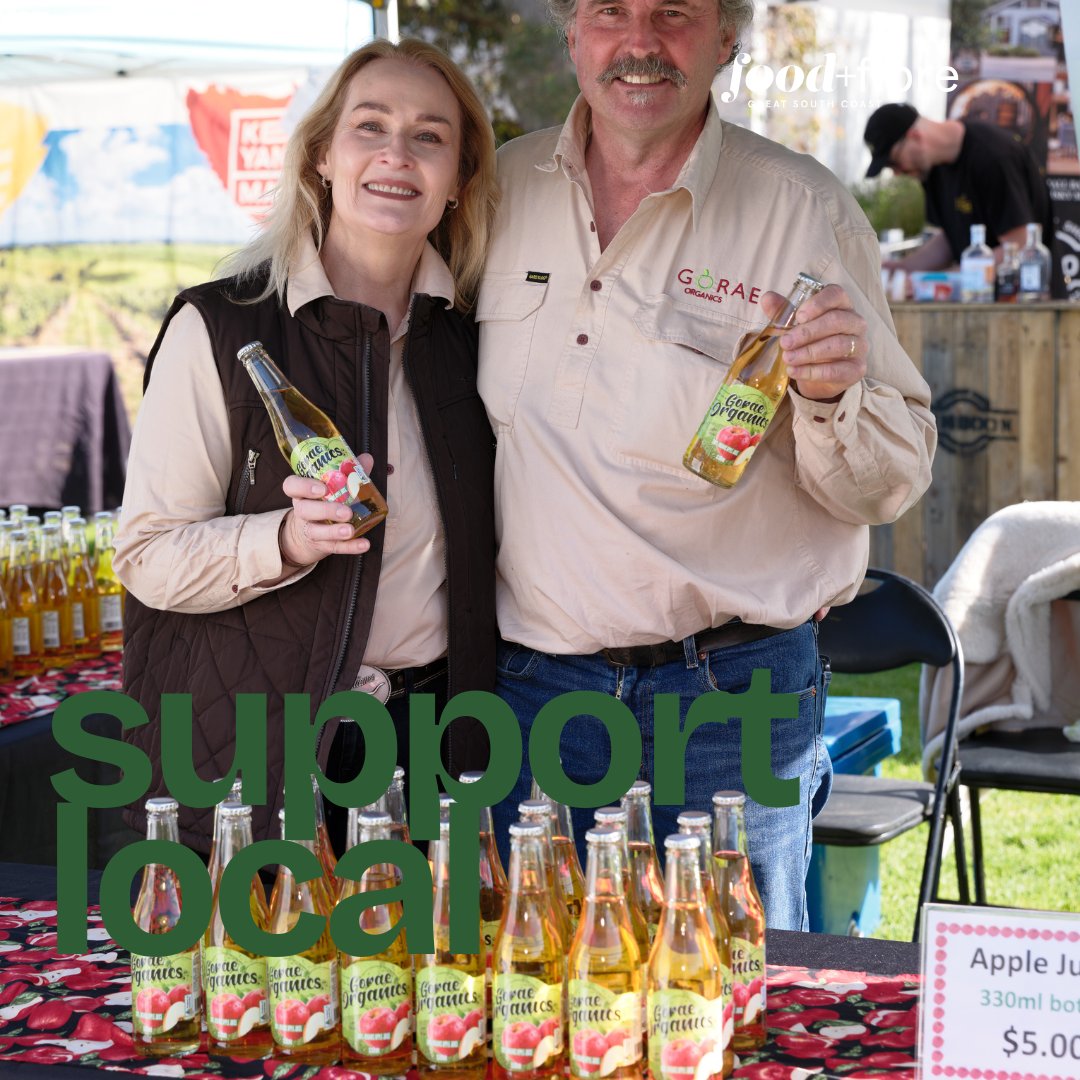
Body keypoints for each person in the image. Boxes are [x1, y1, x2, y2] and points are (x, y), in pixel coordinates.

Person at [476, 0, 936, 930]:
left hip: (733, 697)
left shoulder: (800, 208)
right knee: (548, 996)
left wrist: (825, 392)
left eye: (674, 13)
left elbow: (889, 479)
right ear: (573, 32)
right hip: (537, 689)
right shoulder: (497, 188)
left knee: (736, 1004)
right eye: (611, 12)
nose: (640, 42)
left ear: (726, 39)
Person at [114, 38, 499, 855]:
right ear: (323, 154)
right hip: (265, 750)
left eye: (431, 136)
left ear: (460, 180)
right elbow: (146, 555)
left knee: (423, 981)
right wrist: (282, 541)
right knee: (268, 985)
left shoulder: (471, 341)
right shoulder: (220, 328)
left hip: (431, 749)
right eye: (371, 126)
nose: (398, 153)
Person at [864, 102, 1054, 272]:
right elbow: (949, 239)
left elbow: (1021, 244)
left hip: (1023, 301)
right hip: (979, 300)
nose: (897, 173)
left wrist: (953, 278)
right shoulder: (932, 170)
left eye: (893, 162)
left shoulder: (993, 157)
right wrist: (903, 269)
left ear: (915, 136)